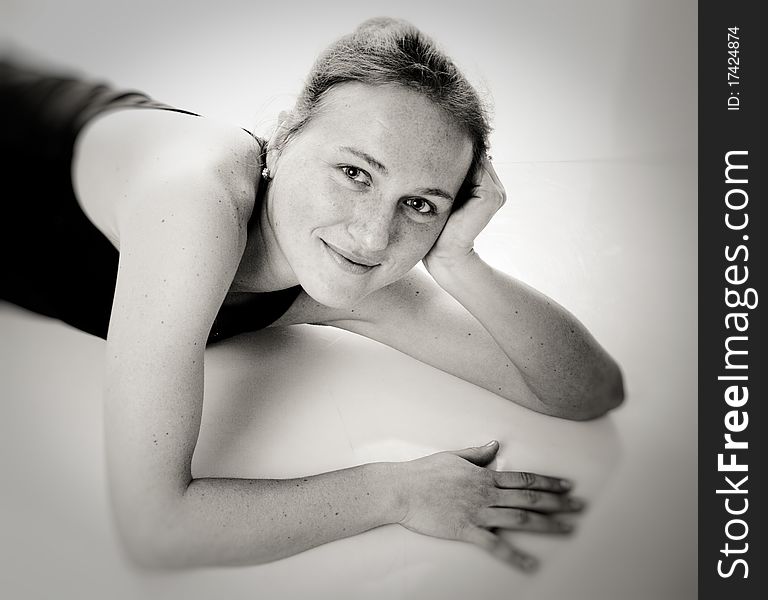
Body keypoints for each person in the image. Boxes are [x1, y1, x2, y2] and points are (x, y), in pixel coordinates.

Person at [0, 17, 624, 572]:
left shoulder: (344, 271)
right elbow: (156, 530)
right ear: (284, 137)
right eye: (355, 173)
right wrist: (395, 491)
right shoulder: (194, 205)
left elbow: (585, 392)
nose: (375, 234)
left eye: (420, 204)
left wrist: (459, 261)